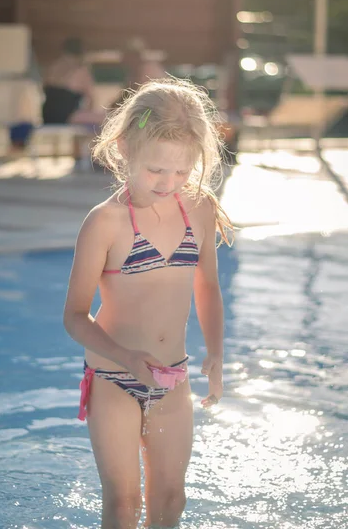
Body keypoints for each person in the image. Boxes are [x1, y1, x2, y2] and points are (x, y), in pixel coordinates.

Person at [63, 78, 233, 528]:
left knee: (171, 500)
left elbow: (208, 286)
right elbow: (75, 317)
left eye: (182, 171)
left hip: (172, 375)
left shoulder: (197, 207)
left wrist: (216, 352)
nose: (170, 182)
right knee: (123, 504)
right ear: (123, 149)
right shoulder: (105, 223)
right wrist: (125, 357)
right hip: (114, 374)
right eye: (157, 170)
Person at [42, 37, 103, 170]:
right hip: (66, 115)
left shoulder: (53, 67)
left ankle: (79, 157)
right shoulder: (80, 70)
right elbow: (91, 97)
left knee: (81, 116)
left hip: (46, 115)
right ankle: (94, 157)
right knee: (104, 119)